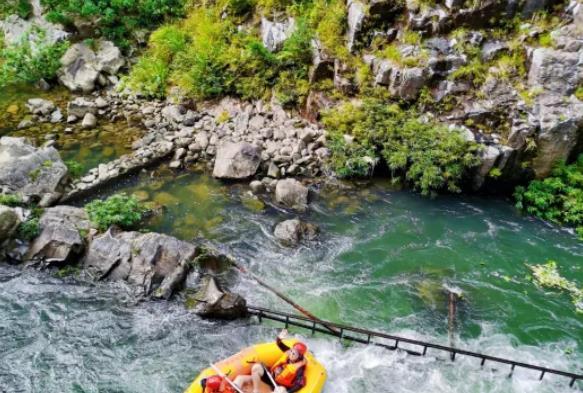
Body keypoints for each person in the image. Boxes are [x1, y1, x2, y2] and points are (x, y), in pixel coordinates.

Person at [234, 329, 307, 393]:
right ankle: (255, 391)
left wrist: (287, 391)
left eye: (294, 353)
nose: (291, 353)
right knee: (255, 368)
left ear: (299, 356)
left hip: (280, 386)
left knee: (281, 391)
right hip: (271, 377)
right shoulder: (288, 353)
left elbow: (300, 383)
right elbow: (279, 344)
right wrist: (279, 338)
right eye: (291, 351)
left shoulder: (299, 368)